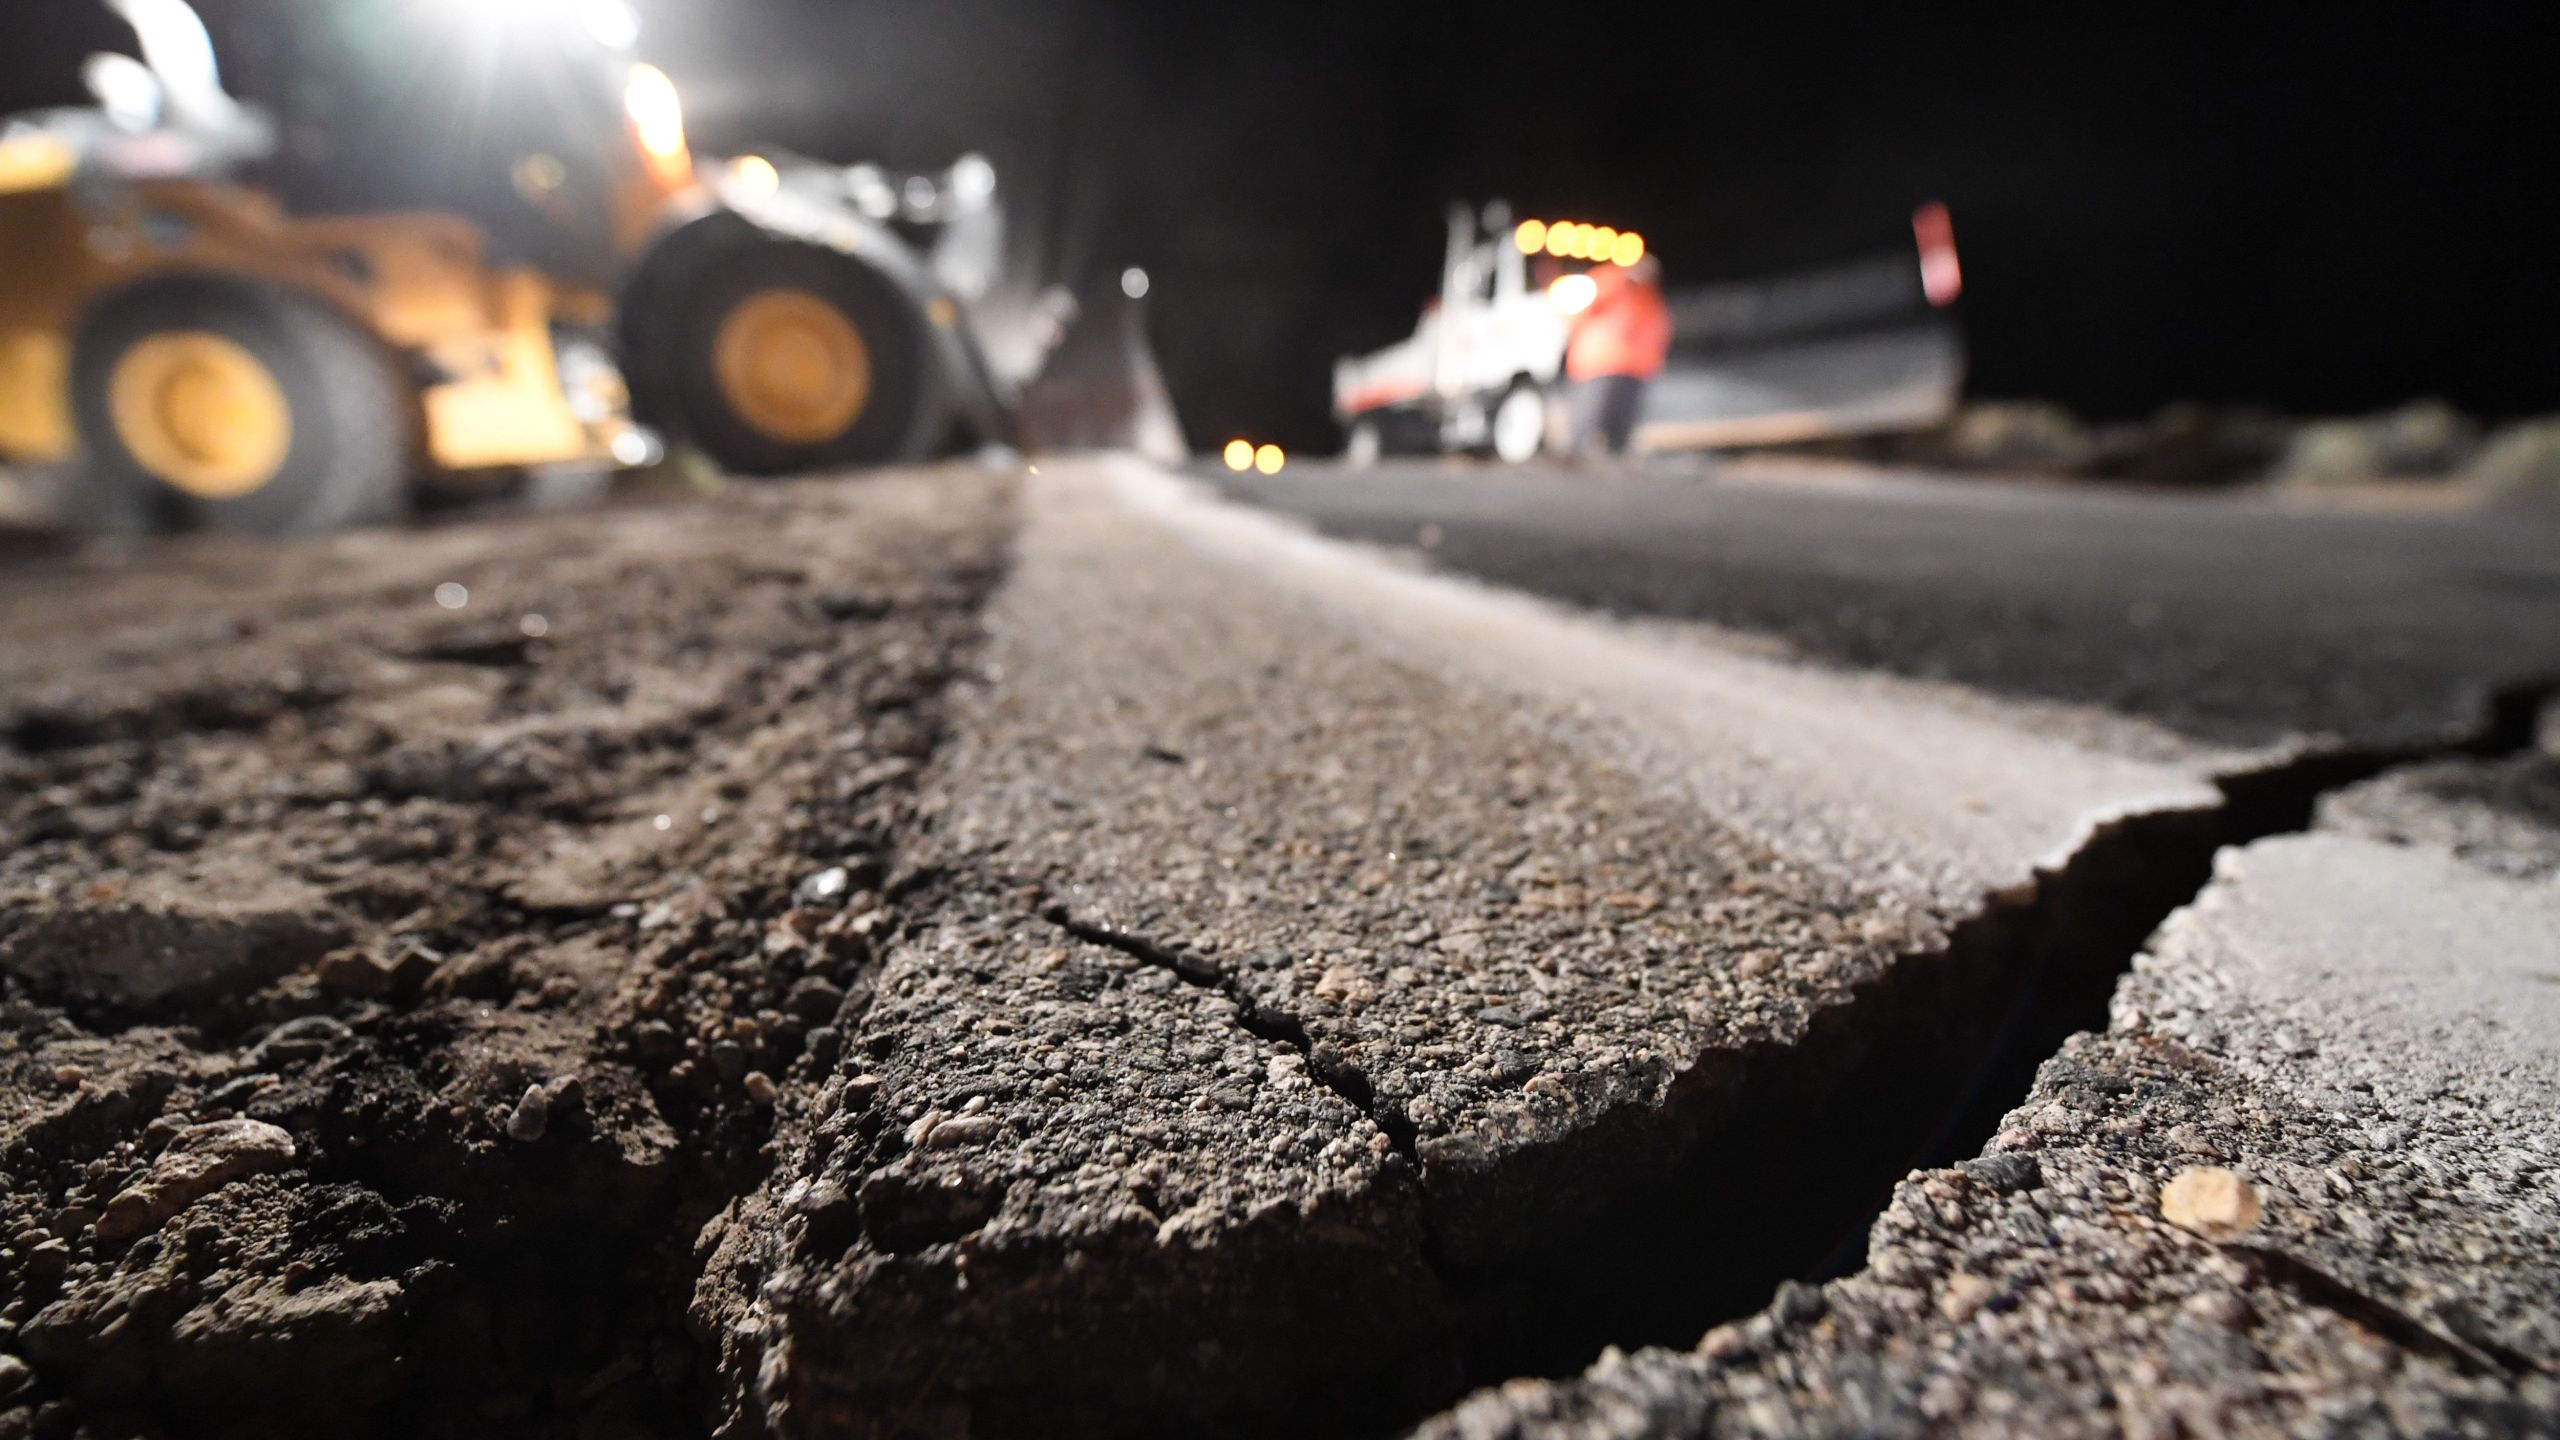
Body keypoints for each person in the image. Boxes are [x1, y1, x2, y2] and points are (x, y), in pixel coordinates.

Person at [1565, 255, 1672, 458]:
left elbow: (1659, 328)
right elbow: (1578, 312)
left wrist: (1654, 361)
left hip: (1636, 368)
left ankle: (1614, 461)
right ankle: (1574, 460)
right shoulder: (1608, 283)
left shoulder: (1649, 296)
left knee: (1621, 422)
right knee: (1588, 417)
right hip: (1599, 364)